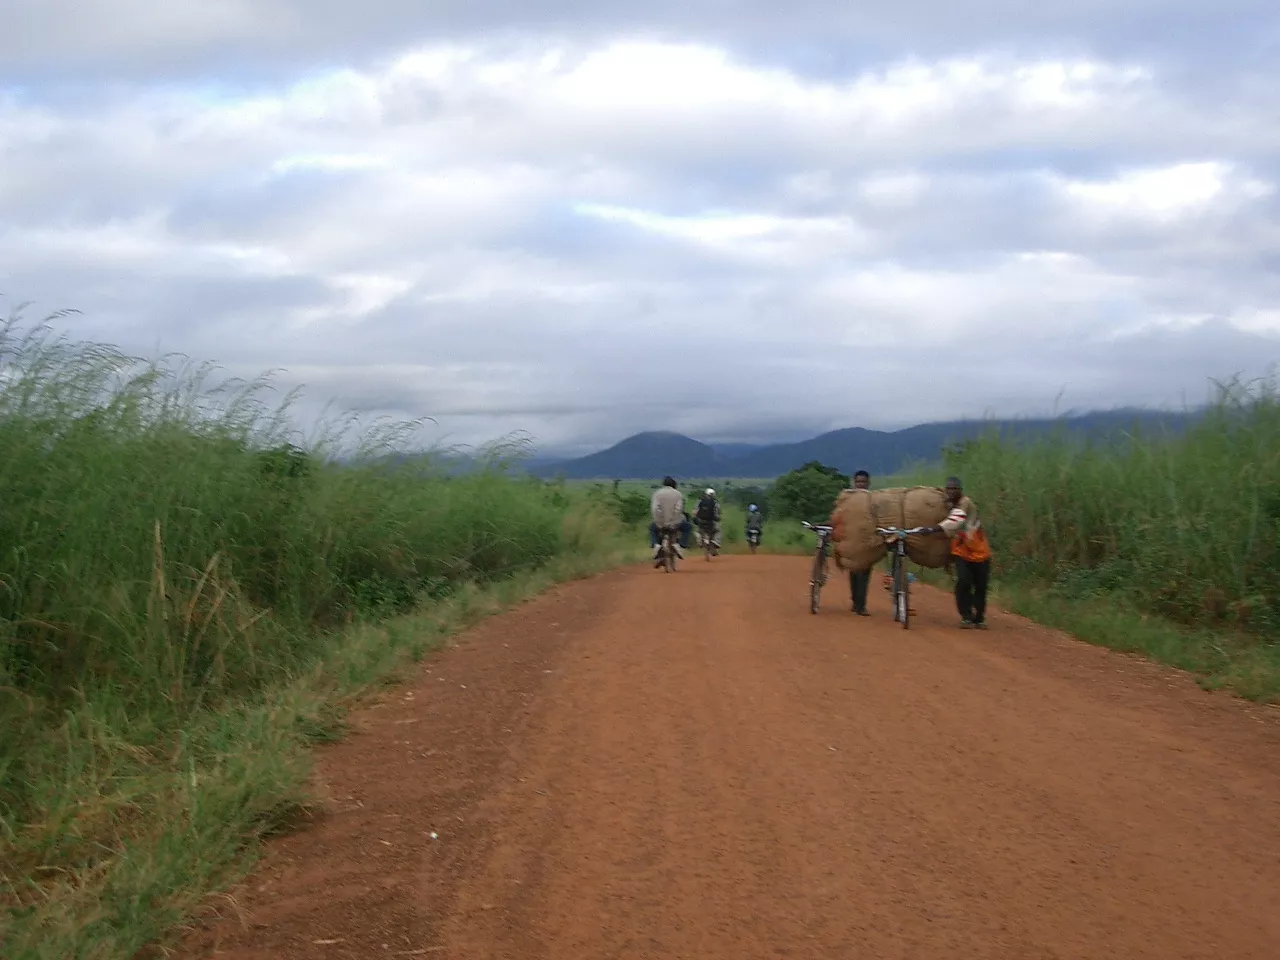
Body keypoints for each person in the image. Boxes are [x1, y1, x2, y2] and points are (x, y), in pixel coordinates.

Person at [917, 476, 992, 629]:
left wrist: (932, 529)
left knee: (980, 585)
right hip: (961, 550)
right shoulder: (951, 504)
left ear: (960, 490)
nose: (951, 491)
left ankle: (979, 617)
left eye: (954, 489)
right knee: (963, 582)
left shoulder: (965, 503)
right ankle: (966, 616)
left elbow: (955, 520)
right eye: (948, 489)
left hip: (979, 550)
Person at [848, 470, 872, 615]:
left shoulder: (873, 499)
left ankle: (861, 604)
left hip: (868, 541)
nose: (860, 484)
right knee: (854, 572)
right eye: (858, 482)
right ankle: (855, 602)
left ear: (868, 483)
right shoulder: (848, 499)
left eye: (863, 482)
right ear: (854, 483)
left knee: (864, 572)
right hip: (852, 540)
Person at [649, 476, 686, 565]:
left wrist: (659, 520)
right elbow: (678, 509)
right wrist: (674, 520)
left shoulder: (657, 493)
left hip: (660, 523)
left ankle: (656, 545)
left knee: (652, 528)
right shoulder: (678, 494)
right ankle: (680, 544)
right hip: (674, 523)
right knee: (687, 527)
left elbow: (655, 509)